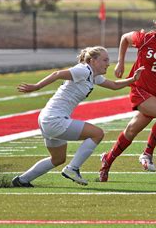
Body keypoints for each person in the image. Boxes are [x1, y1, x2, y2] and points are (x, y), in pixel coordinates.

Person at [12, 46, 144, 187]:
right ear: (93, 61)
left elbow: (114, 85)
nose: (108, 63)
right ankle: (72, 169)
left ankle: (22, 180)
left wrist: (133, 79)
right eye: (105, 60)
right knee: (97, 134)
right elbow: (57, 74)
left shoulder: (93, 75)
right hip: (54, 119)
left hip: (48, 118)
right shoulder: (83, 70)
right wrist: (37, 86)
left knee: (57, 158)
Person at [99, 11, 156, 182]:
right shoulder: (145, 38)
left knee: (131, 131)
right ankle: (147, 154)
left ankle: (107, 161)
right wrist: (121, 62)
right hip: (140, 90)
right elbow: (125, 38)